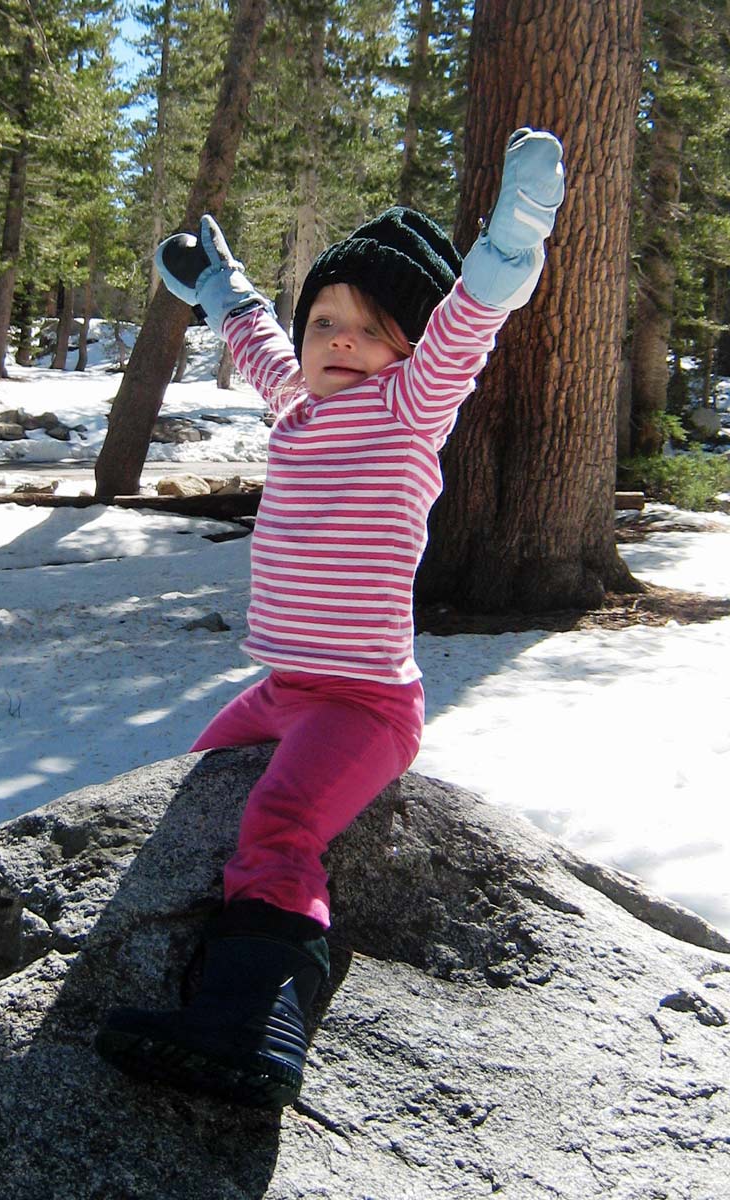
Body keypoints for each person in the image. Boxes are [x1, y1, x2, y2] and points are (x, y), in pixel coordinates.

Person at [95, 128, 566, 1107]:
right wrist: (216, 283)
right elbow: (258, 335)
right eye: (326, 322)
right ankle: (198, 972)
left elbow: (473, 317)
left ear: (408, 347)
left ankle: (250, 1032)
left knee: (278, 824)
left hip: (362, 704)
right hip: (280, 691)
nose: (337, 339)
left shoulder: (408, 406)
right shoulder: (296, 402)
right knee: (197, 784)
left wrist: (515, 232)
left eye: (370, 324)